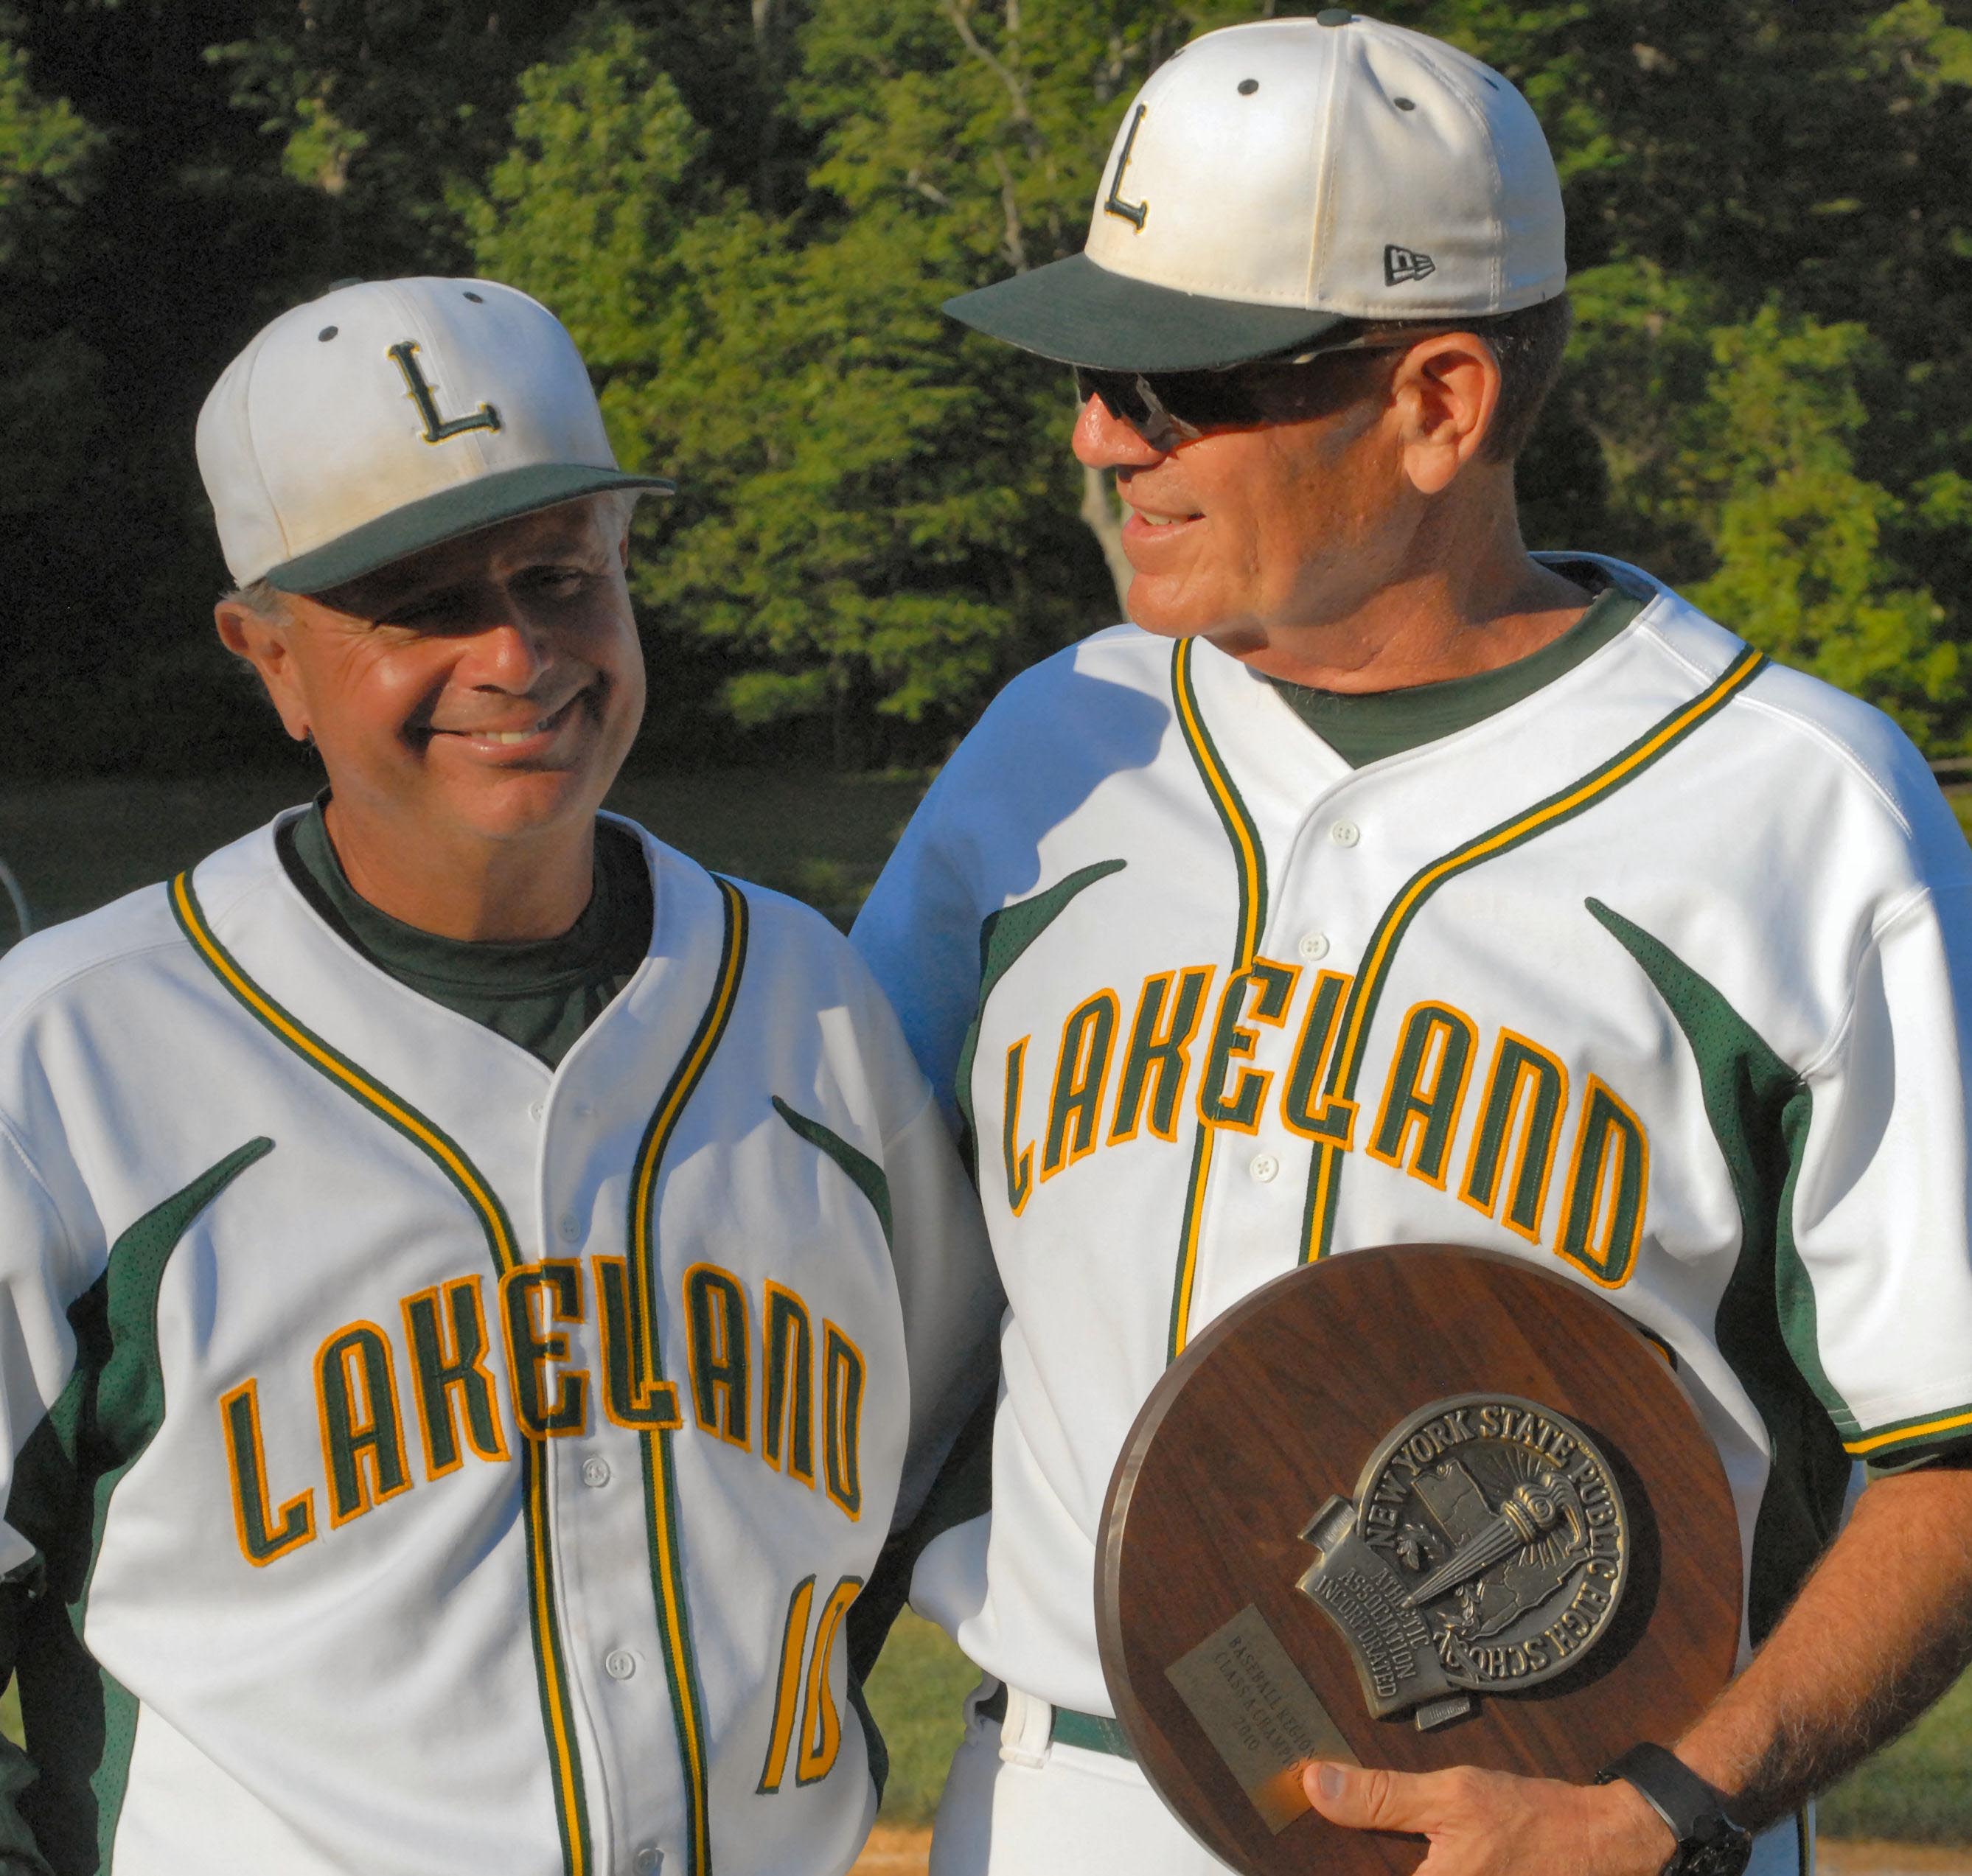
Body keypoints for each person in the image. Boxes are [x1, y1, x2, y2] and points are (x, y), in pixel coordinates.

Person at [850, 14, 1972, 1876]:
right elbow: (860, 1294)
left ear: (1439, 403)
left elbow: (1951, 1446)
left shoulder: (1800, 813)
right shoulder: (1055, 751)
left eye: (1176, 383)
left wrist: (1673, 1812)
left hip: (1584, 1823)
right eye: (1093, 372)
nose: (1100, 435)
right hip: (1066, 1798)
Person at [0, 275, 997, 1875]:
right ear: (271, 656)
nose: (516, 654)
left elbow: (929, 1468)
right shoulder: (70, 1057)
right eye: (418, 602)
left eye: (558, 576)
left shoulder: (804, 998)